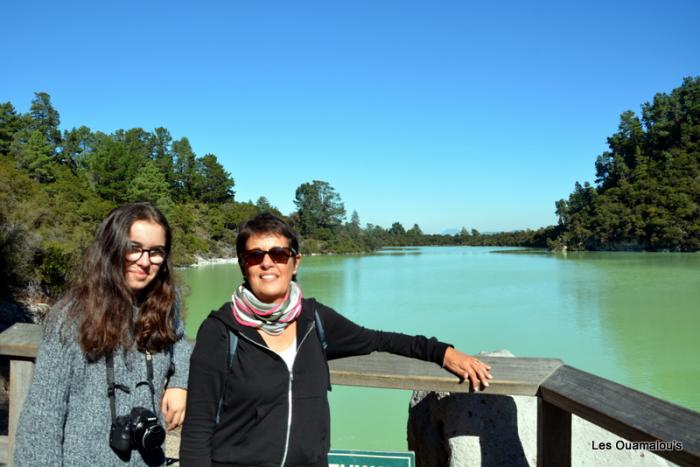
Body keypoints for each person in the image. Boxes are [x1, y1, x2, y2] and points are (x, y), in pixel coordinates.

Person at [180, 213, 492, 467]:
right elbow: (197, 429)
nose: (267, 263)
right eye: (255, 255)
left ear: (295, 262)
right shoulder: (220, 329)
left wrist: (443, 352)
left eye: (279, 254)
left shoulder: (315, 319)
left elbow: (378, 339)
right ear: (242, 263)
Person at [15, 203, 192, 466]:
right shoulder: (70, 317)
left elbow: (180, 341)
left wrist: (179, 382)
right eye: (134, 248)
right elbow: (43, 418)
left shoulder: (165, 303)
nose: (145, 261)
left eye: (156, 252)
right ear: (111, 247)